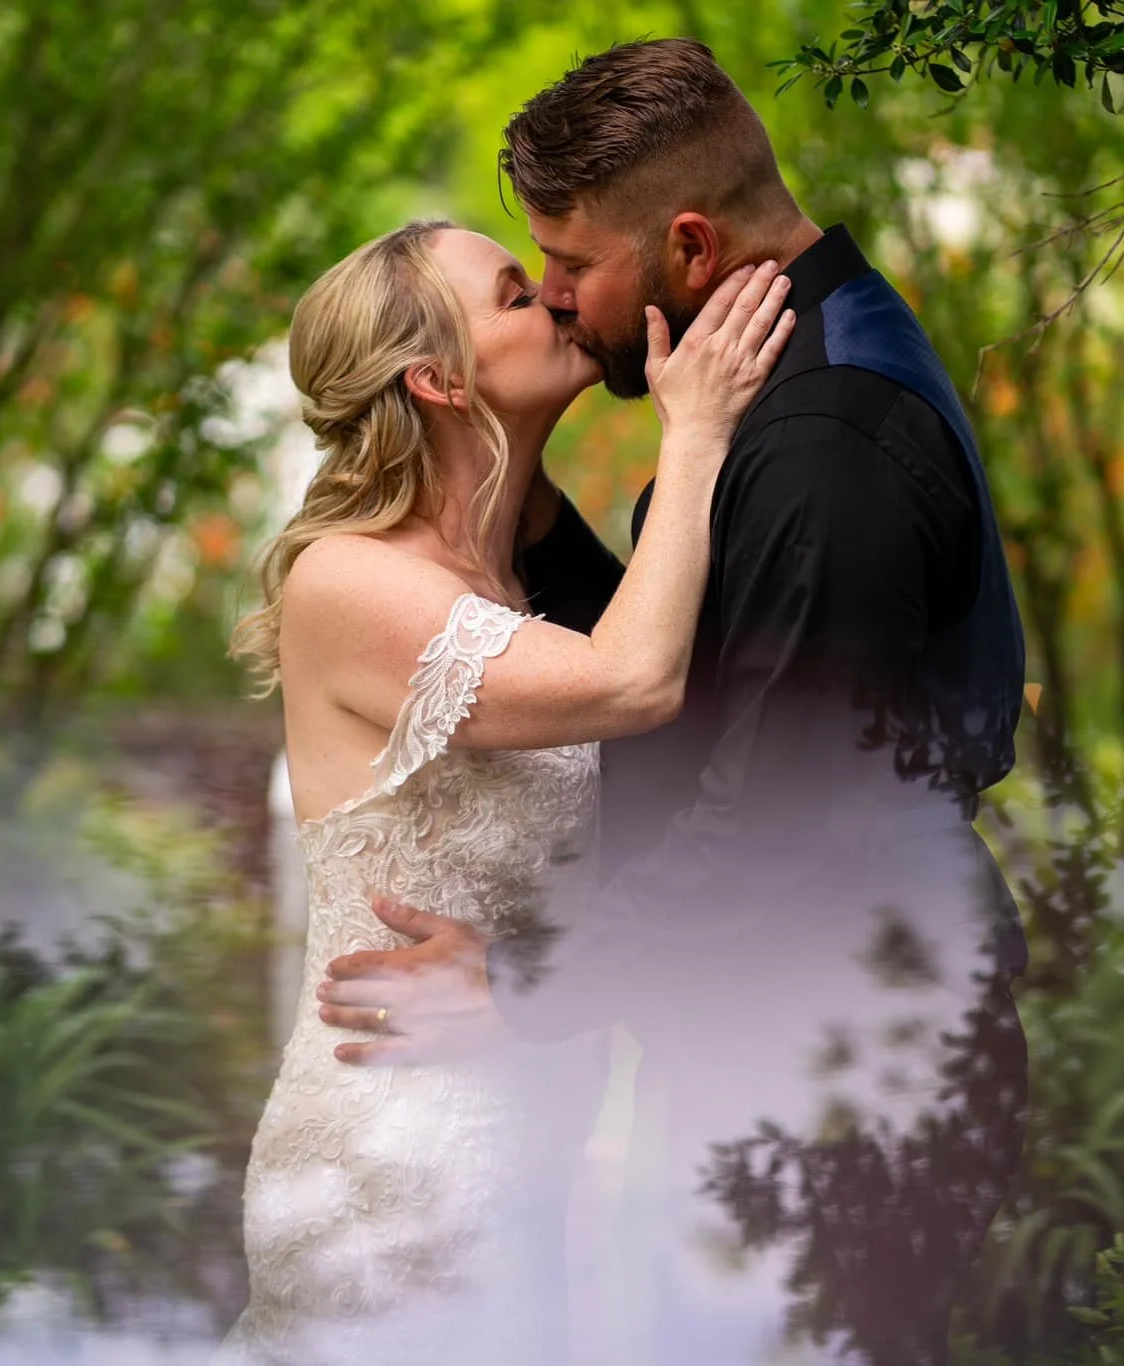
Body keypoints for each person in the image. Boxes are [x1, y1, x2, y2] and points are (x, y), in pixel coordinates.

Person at [316, 38, 1032, 1366]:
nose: (567, 306)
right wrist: (505, 490)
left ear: (689, 245)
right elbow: (702, 676)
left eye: (573, 270)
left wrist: (523, 986)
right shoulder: (790, 375)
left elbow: (776, 813)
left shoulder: (825, 442)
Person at [214, 217, 794, 1366]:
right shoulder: (348, 580)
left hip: (524, 1156)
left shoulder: (523, 582)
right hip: (392, 1165)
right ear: (434, 377)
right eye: (520, 294)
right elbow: (634, 681)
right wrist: (697, 428)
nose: (565, 302)